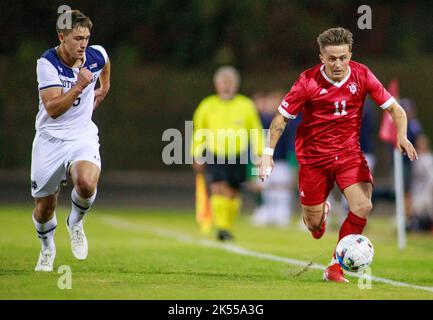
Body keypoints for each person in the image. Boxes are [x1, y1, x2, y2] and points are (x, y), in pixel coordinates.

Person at [258, 27, 417, 282]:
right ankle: (321, 214)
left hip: (348, 155)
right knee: (313, 226)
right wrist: (267, 153)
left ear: (350, 55)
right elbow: (281, 118)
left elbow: (396, 109)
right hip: (313, 158)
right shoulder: (307, 81)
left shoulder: (362, 75)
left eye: (343, 58)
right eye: (332, 58)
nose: (338, 64)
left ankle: (335, 266)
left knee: (363, 206)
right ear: (322, 57)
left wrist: (401, 135)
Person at [31, 10, 110, 271]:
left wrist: (104, 87)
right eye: (77, 38)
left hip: (81, 135)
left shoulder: (95, 56)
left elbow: (105, 61)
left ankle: (75, 222)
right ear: (62, 37)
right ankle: (47, 247)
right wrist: (78, 86)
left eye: (86, 37)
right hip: (50, 140)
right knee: (44, 209)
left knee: (86, 183)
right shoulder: (47, 63)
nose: (83, 44)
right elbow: (53, 108)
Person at [191, 66, 264, 241]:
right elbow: (199, 131)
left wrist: (261, 154)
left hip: (238, 155)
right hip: (215, 153)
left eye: (229, 83)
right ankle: (222, 227)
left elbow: (256, 130)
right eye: (223, 83)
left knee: (232, 193)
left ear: (236, 85)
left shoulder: (246, 105)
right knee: (218, 188)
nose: (226, 86)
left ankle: (227, 227)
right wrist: (196, 153)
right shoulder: (207, 105)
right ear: (216, 85)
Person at [252, 91, 294, 227]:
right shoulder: (261, 121)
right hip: (266, 159)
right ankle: (266, 211)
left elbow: (291, 145)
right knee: (266, 188)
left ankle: (282, 213)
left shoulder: (287, 122)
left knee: (282, 190)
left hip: (282, 162)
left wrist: (292, 164)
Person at [407, 134, 433, 232]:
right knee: (415, 211)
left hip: (427, 191)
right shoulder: (415, 158)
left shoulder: (429, 158)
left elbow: (431, 177)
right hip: (417, 191)